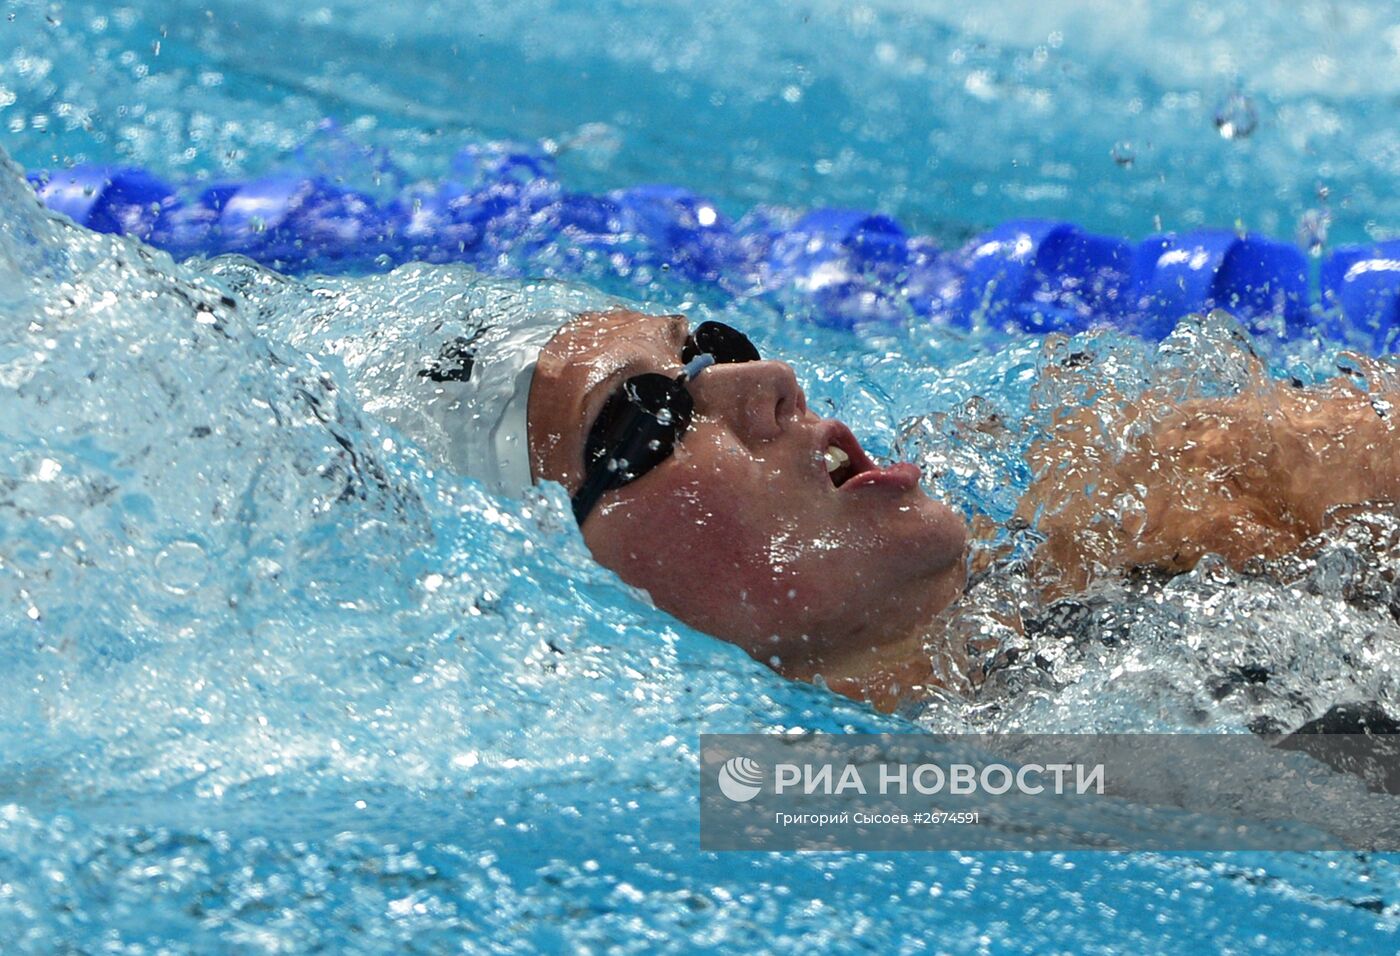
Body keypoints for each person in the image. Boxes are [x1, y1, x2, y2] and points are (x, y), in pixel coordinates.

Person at [351, 289, 1400, 713]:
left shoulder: (1180, 492)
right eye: (641, 419)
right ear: (541, 574)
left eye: (709, 347)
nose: (766, 381)